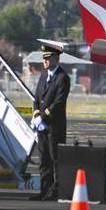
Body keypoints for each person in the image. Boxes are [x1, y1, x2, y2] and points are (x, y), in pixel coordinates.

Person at [31, 48, 70, 201]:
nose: (45, 61)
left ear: (56, 59)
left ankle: (56, 191)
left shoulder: (63, 77)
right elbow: (36, 99)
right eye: (43, 58)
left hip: (54, 126)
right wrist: (36, 116)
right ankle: (45, 189)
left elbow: (59, 102)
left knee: (56, 159)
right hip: (42, 127)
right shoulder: (43, 75)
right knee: (44, 159)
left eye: (48, 58)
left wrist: (44, 117)